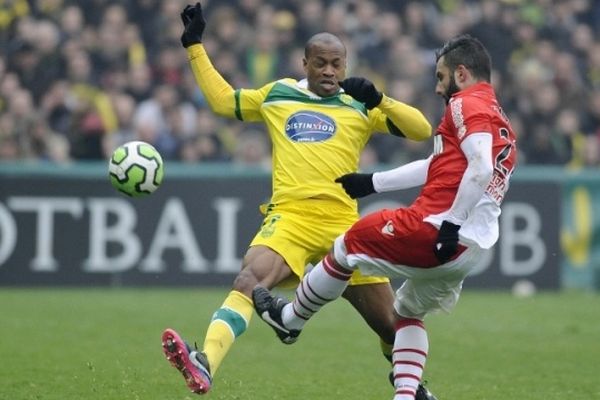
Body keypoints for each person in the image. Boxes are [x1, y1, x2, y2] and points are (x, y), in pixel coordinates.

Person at [161, 2, 433, 397]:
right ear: (304, 62)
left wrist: (379, 99)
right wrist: (194, 46)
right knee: (249, 280)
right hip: (291, 218)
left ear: (345, 64)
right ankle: (205, 363)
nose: (328, 71)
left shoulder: (360, 103)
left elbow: (421, 129)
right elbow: (223, 102)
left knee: (390, 325)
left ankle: (412, 386)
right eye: (320, 63)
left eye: (336, 64)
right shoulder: (278, 95)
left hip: (345, 226)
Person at [253, 34, 518, 400]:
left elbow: (480, 168)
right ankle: (406, 395)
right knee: (406, 310)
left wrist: (451, 223)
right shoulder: (495, 113)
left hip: (439, 228)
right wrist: (372, 183)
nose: (439, 88)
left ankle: (289, 320)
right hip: (473, 247)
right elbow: (437, 166)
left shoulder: (464, 103)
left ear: (461, 73)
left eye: (441, 77)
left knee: (346, 244)